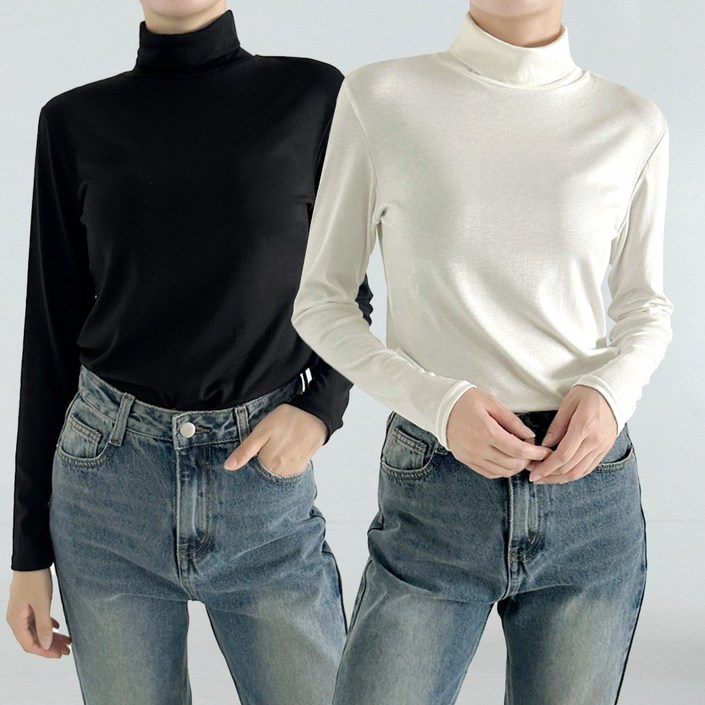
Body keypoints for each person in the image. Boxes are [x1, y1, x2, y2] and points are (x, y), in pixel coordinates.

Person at [292, 0, 672, 703]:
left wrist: (610, 392)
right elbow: (320, 301)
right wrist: (438, 402)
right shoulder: (382, 97)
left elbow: (646, 305)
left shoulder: (631, 121)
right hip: (437, 479)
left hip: (587, 485)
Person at [6, 1, 373, 703]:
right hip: (106, 492)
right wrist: (28, 555)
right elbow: (48, 337)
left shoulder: (312, 95)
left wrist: (320, 408)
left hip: (262, 492)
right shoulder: (73, 121)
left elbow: (345, 289)